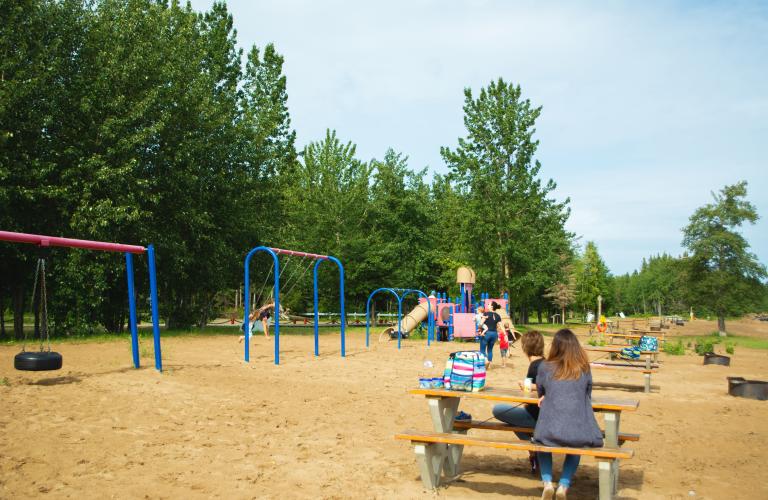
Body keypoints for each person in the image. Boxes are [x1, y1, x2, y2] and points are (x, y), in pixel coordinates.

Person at [533, 329, 603, 499]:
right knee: (576, 447)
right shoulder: (584, 368)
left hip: (549, 430)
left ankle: (548, 482)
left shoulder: (545, 366)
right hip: (578, 431)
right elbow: (588, 393)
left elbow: (540, 390)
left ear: (555, 347)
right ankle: (563, 485)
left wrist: (546, 396)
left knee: (541, 443)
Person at [492, 330, 546, 474]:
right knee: (514, 421)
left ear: (525, 348)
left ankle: (532, 448)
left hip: (536, 416)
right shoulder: (547, 363)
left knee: (498, 410)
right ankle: (533, 447)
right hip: (548, 415)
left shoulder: (534, 366)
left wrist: (525, 386)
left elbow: (527, 394)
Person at [479, 302, 502, 367]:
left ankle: (486, 361)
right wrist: (503, 334)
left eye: (489, 304)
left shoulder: (485, 314)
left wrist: (479, 330)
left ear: (492, 307)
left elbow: (481, 323)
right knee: (490, 350)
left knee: (482, 350)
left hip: (486, 333)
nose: (487, 305)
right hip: (494, 334)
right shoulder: (498, 315)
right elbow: (500, 326)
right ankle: (489, 365)